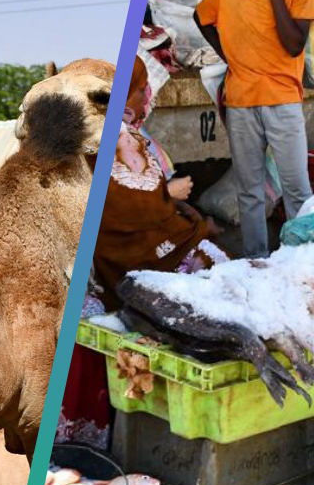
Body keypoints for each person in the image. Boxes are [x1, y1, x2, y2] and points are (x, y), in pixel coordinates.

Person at [193, 0, 314, 257]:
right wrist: (227, 54)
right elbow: (200, 17)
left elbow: (294, 44)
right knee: (249, 190)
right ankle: (255, 260)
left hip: (282, 101)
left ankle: (303, 261)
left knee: (296, 188)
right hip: (240, 101)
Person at [90, 57, 227, 312]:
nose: (146, 98)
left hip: (107, 253)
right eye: (142, 90)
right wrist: (179, 205)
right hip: (122, 257)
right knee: (216, 263)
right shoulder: (121, 139)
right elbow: (137, 208)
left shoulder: (102, 131)